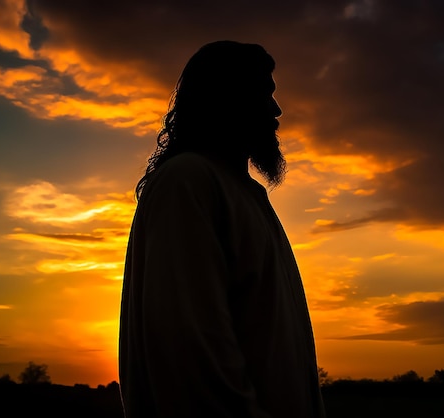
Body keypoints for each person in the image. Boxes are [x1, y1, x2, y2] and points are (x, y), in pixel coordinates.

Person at [119, 40, 325, 418]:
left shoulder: (242, 192)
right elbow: (189, 348)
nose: (276, 111)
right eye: (264, 95)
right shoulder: (188, 181)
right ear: (227, 98)